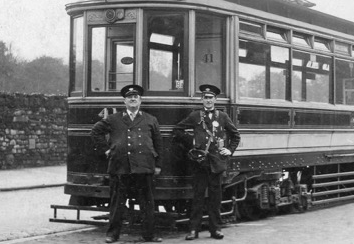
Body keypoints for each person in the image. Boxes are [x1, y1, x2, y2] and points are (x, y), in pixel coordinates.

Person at [90, 84, 163, 243]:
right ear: (124, 101)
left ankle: (149, 235)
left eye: (135, 97)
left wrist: (157, 164)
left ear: (140, 100)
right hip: (120, 167)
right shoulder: (113, 119)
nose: (132, 99)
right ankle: (112, 235)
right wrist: (107, 150)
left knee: (147, 203)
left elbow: (158, 143)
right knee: (117, 203)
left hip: (144, 167)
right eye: (129, 97)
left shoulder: (151, 119)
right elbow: (96, 131)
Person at [173, 84, 241, 240]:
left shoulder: (223, 116)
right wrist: (193, 142)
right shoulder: (195, 116)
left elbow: (235, 136)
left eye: (211, 98)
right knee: (197, 197)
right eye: (205, 98)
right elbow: (178, 130)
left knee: (215, 198)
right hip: (199, 163)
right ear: (202, 99)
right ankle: (193, 230)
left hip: (216, 163)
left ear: (215, 100)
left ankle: (215, 229)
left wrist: (229, 150)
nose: (208, 101)